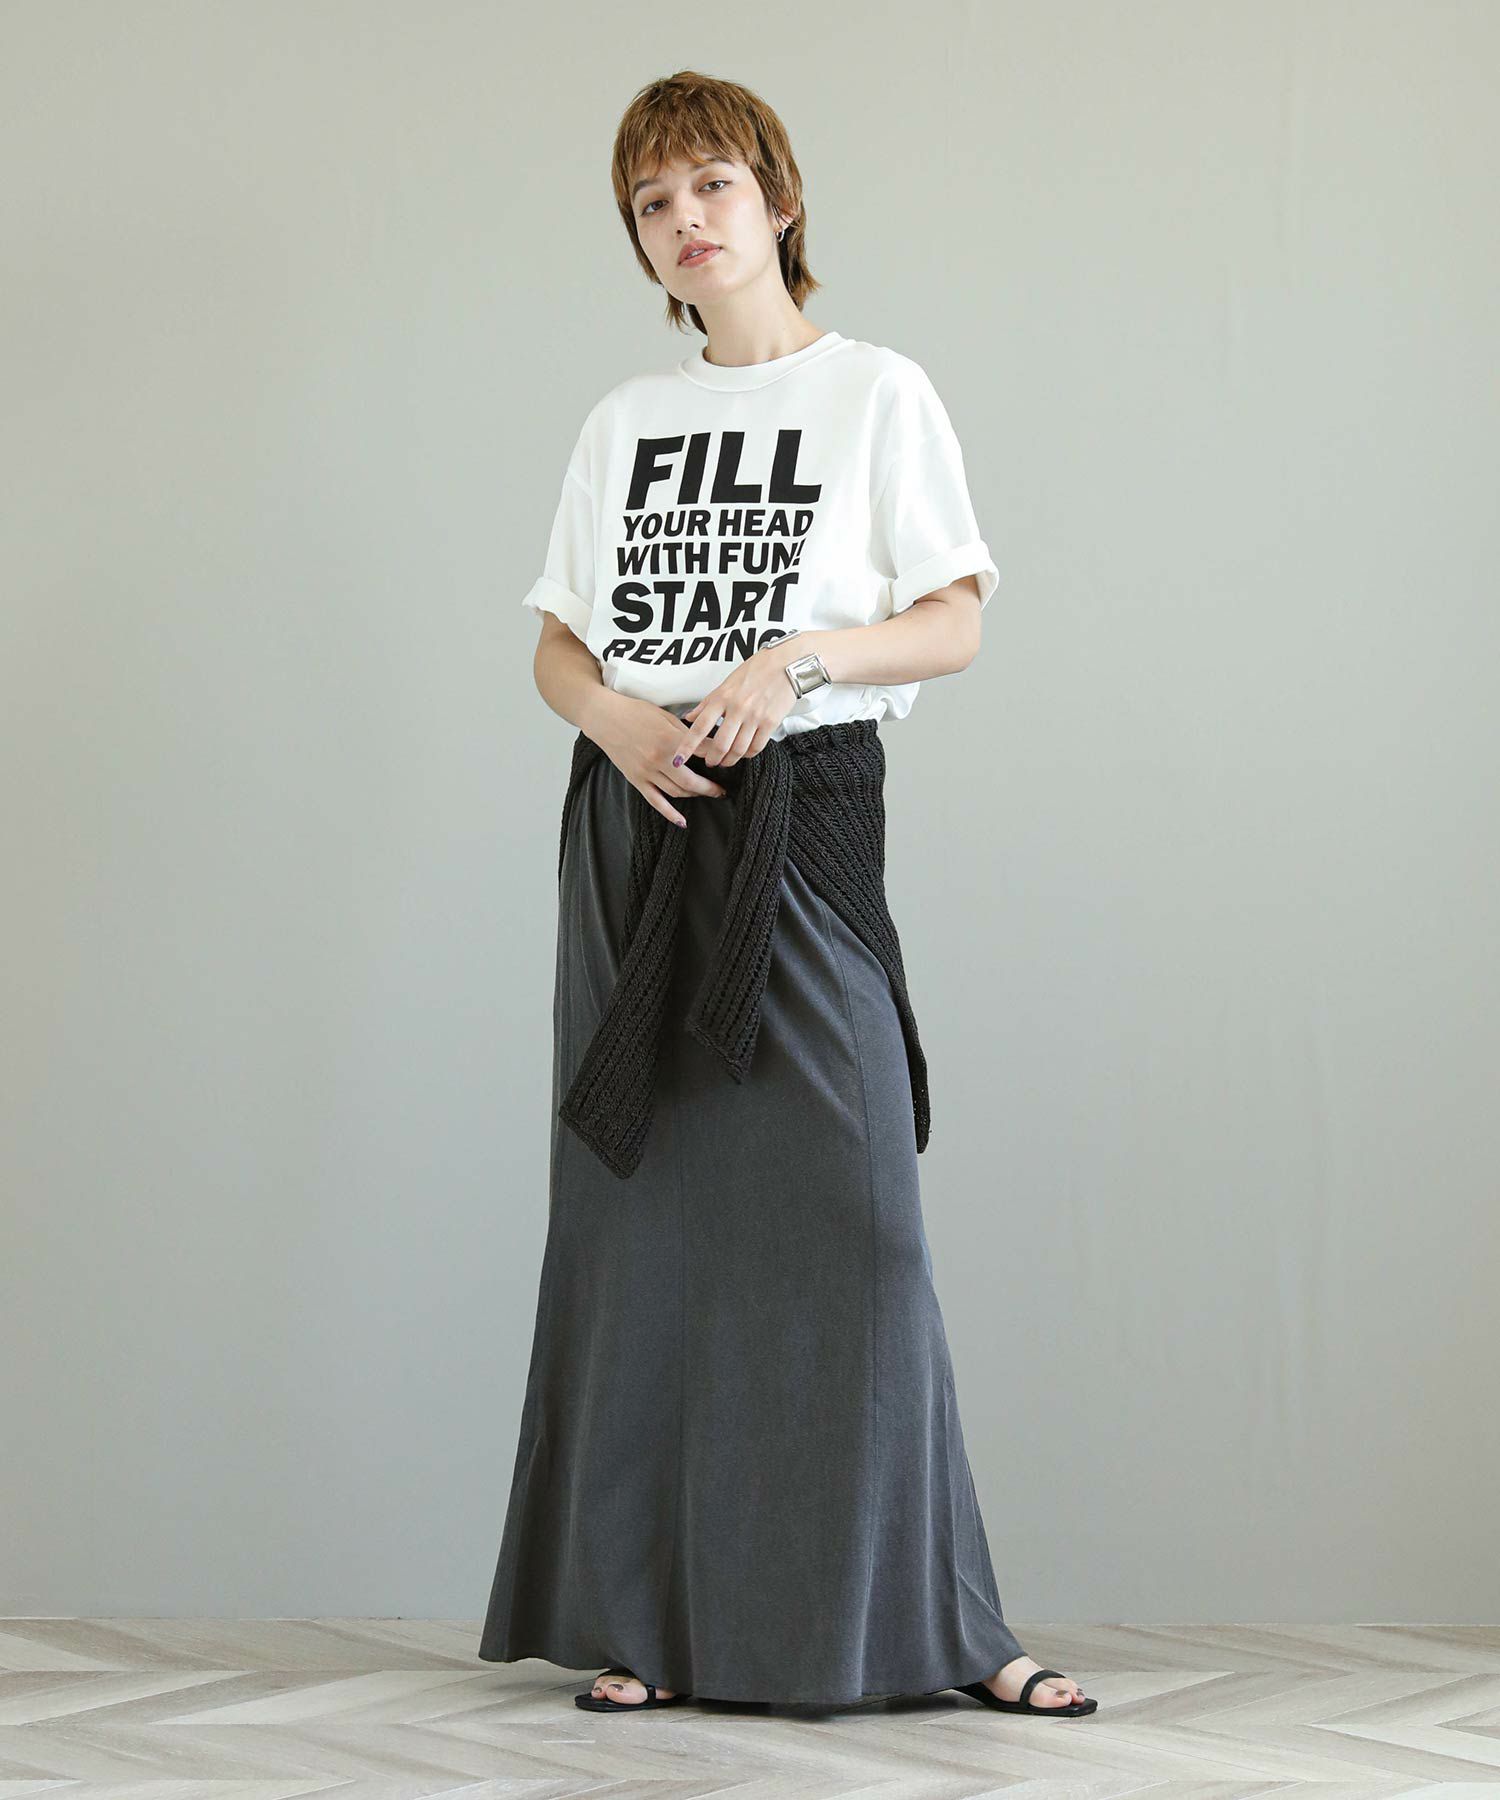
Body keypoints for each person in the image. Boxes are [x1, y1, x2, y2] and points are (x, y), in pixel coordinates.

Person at [477, 68, 1097, 1721]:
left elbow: (955, 619)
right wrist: (613, 717)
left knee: (860, 1230)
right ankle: (649, 1623)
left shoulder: (877, 393)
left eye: (712, 186)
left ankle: (952, 1627)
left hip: (799, 822)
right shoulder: (625, 422)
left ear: (778, 197)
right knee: (647, 1235)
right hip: (636, 832)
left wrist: (799, 659)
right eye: (653, 202)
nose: (686, 220)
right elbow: (560, 643)